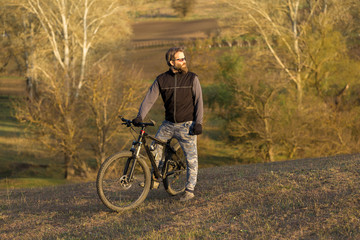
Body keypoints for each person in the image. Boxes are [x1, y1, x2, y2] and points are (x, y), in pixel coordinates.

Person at [132, 47, 203, 201]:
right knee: (155, 148)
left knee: (191, 158)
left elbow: (199, 102)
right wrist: (139, 116)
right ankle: (156, 178)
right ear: (171, 62)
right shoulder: (162, 80)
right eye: (180, 59)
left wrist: (199, 122)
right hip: (168, 124)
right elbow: (149, 99)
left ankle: (189, 190)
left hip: (187, 126)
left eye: (184, 58)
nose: (184, 61)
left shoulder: (192, 78)